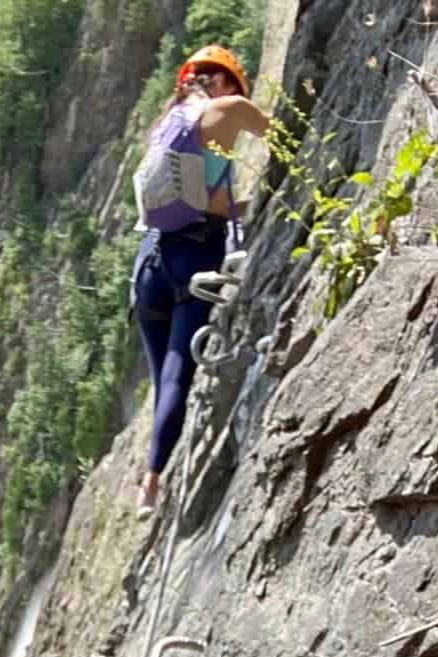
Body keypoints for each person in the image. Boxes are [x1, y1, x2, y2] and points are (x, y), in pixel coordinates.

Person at [132, 43, 271, 514]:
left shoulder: (166, 123)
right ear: (229, 82)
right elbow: (282, 135)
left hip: (149, 261)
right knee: (178, 371)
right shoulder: (229, 109)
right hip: (196, 258)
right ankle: (153, 479)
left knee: (162, 378)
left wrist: (241, 207)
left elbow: (199, 195)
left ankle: (149, 479)